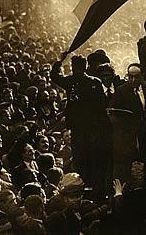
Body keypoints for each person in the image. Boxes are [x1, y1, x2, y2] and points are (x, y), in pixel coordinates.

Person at [50, 54, 108, 195]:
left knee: (80, 156)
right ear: (85, 66)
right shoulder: (95, 82)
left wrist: (59, 61)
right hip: (93, 127)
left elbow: (54, 76)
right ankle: (94, 185)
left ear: (73, 67)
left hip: (77, 127)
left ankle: (83, 182)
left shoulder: (70, 81)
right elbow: (103, 103)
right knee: (92, 155)